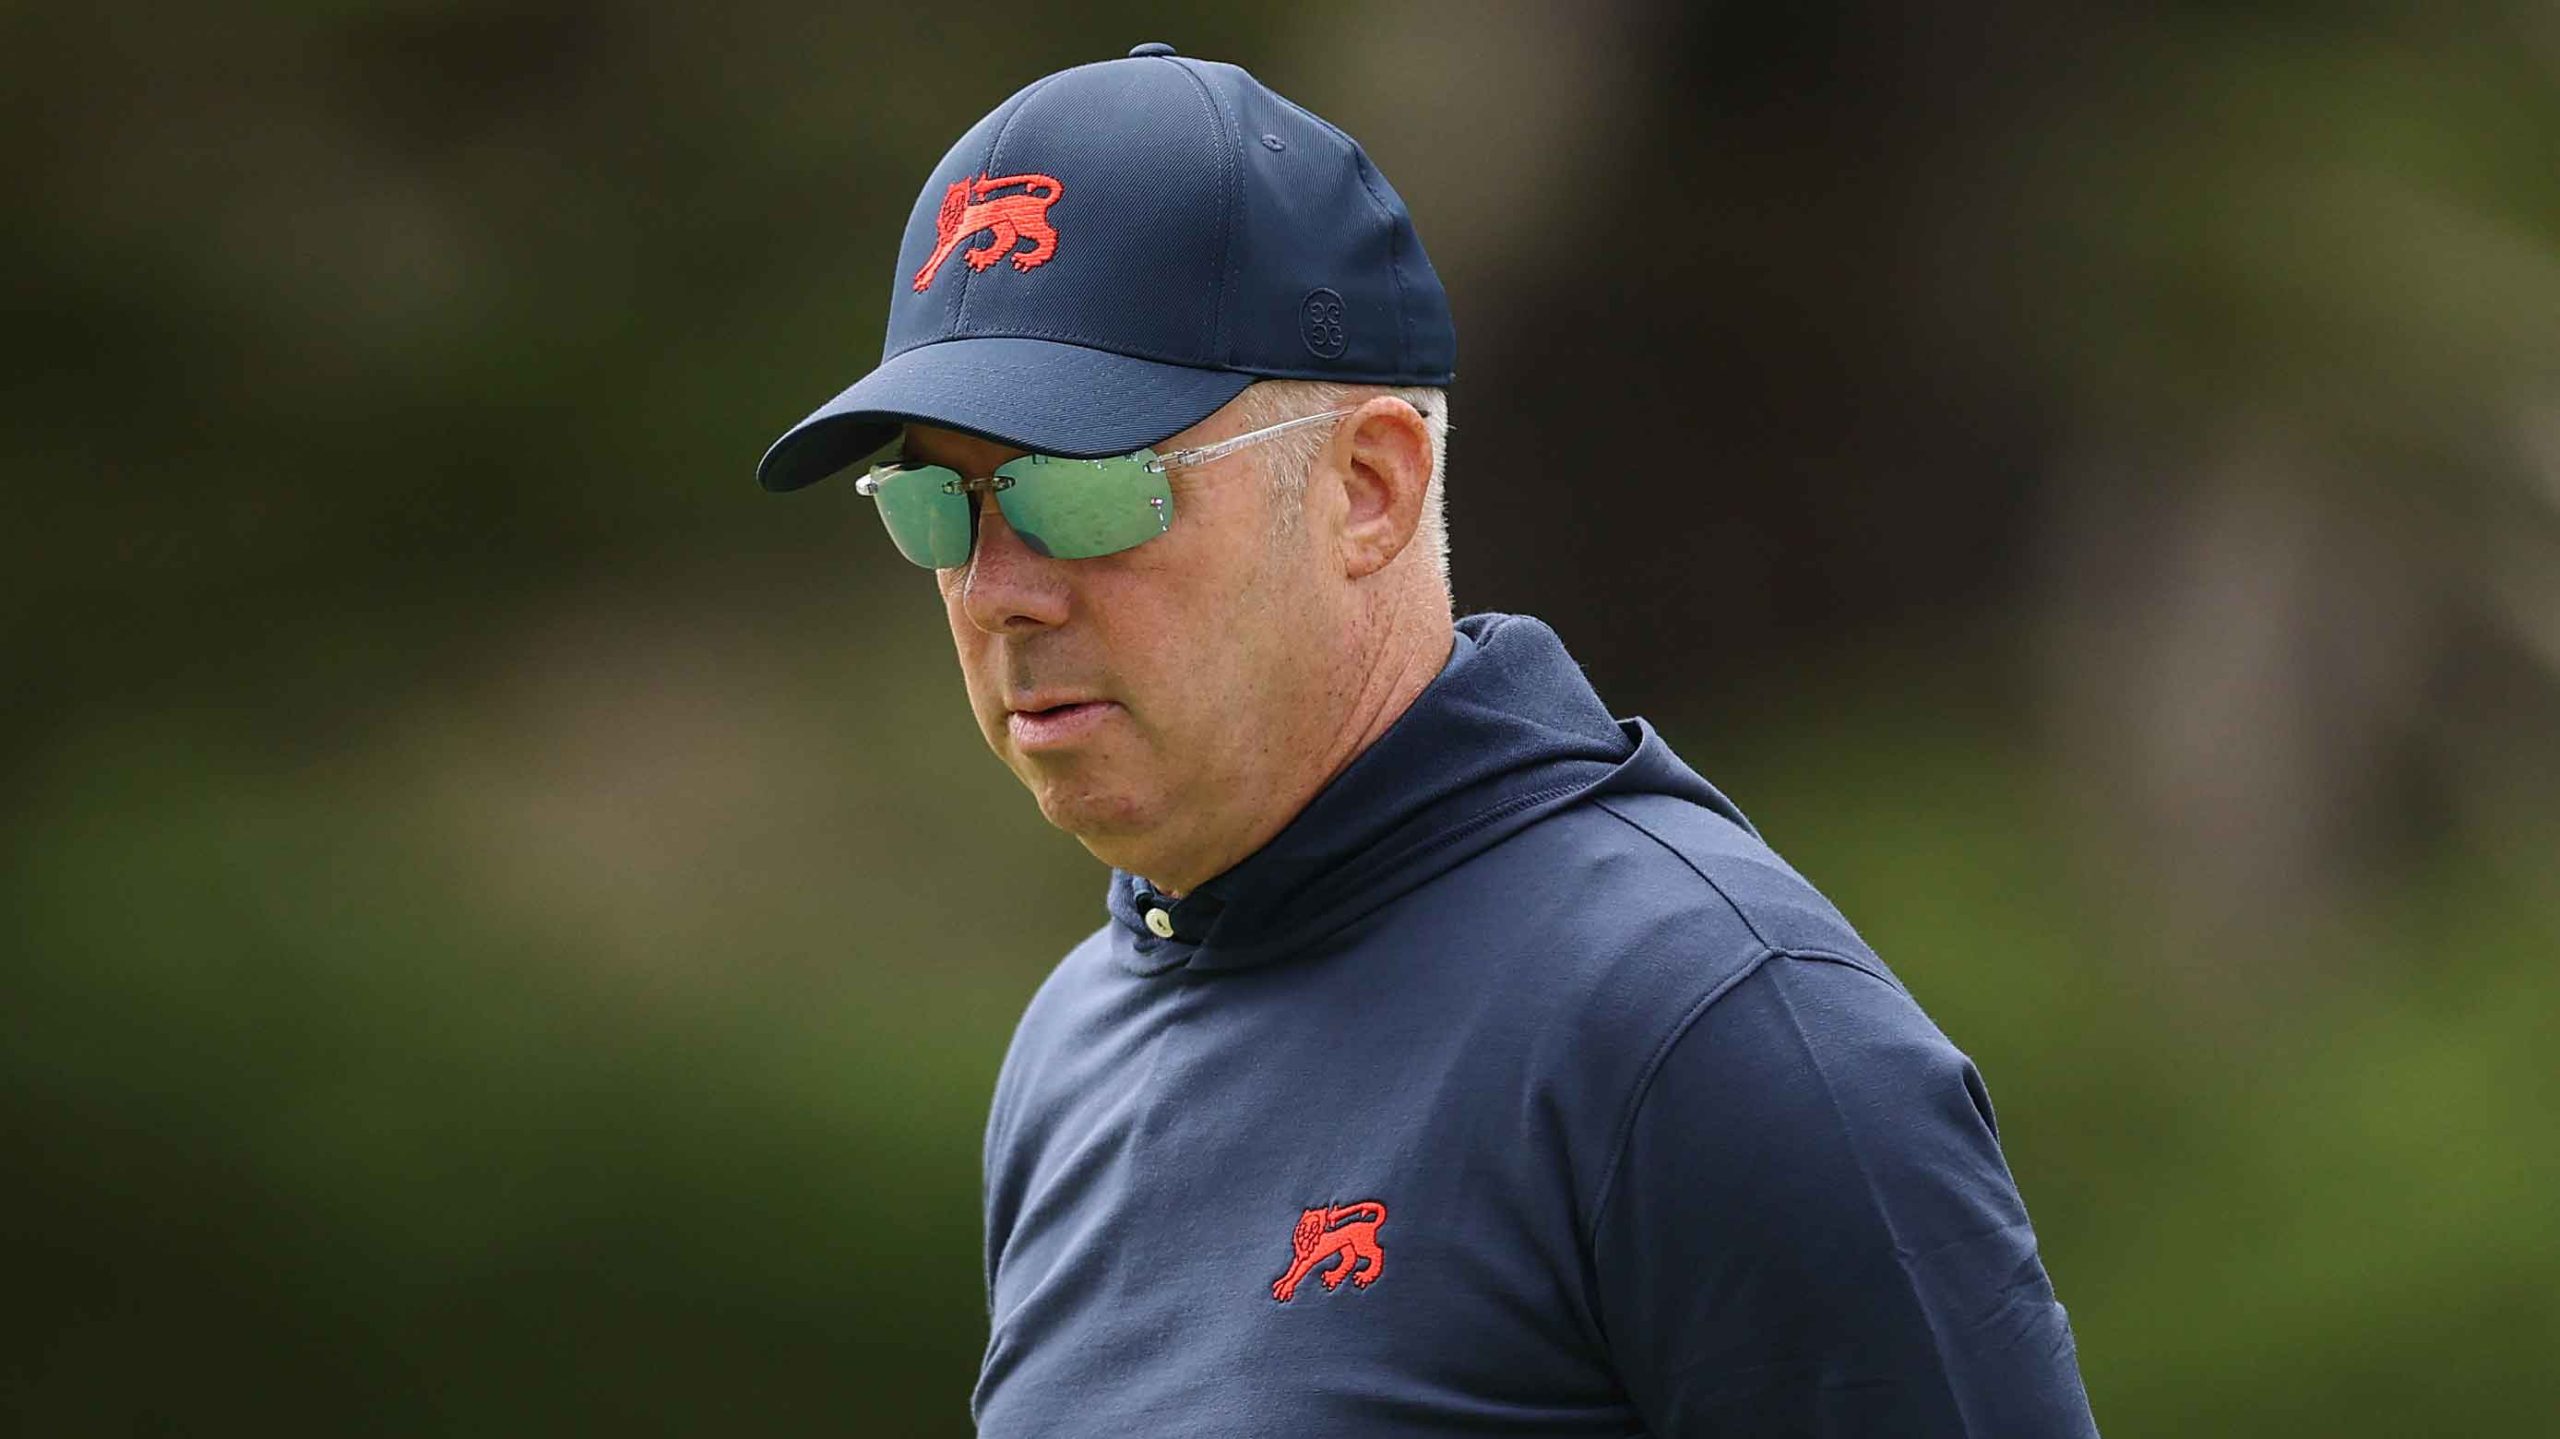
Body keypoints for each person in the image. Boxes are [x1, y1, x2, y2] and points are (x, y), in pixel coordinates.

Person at [756, 42, 2100, 1438]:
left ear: (1369, 488)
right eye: (937, 506)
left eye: (1081, 493)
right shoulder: (1075, 1045)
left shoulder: (1713, 1030)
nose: (998, 590)